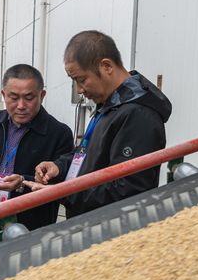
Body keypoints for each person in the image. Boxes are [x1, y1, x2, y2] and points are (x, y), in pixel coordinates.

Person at [26, 30, 172, 218]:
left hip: (112, 228)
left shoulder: (138, 115)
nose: (79, 90)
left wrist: (62, 193)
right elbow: (88, 155)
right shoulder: (109, 105)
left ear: (107, 66)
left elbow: (127, 189)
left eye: (82, 80)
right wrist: (59, 167)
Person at [0, 64, 74, 249]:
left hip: (30, 228)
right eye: (13, 97)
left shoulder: (59, 133)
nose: (21, 106)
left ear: (42, 96)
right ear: (4, 95)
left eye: (29, 98)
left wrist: (22, 183)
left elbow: (61, 185)